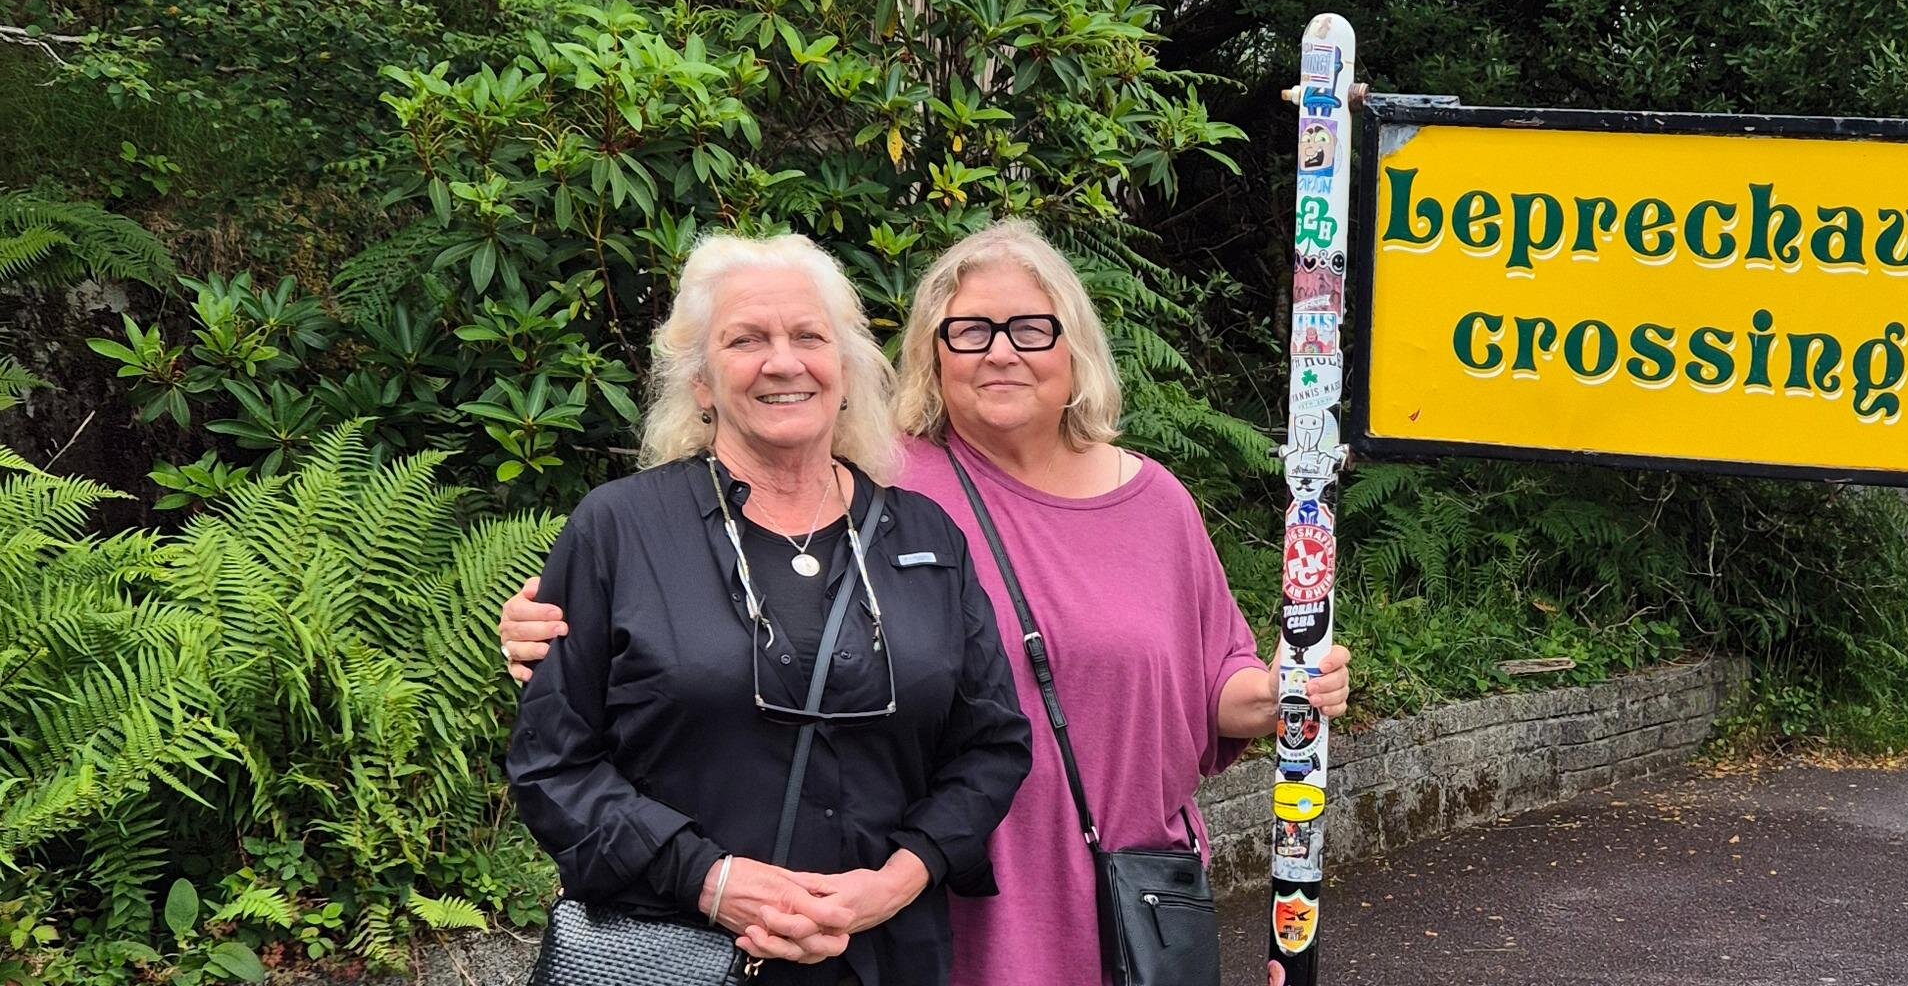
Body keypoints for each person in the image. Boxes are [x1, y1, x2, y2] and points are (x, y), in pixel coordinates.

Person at [505, 219, 1352, 986]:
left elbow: (1197, 686)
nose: (1001, 352)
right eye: (970, 331)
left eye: (1031, 328)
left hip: (1073, 894)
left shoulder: (1134, 504)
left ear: (1076, 347)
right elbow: (613, 685)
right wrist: (542, 633)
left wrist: (1285, 690)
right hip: (926, 912)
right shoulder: (884, 478)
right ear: (930, 354)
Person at [507, 233, 1032, 985]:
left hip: (886, 955)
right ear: (701, 382)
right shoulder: (619, 530)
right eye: (746, 340)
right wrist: (707, 878)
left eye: (809, 337)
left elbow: (992, 745)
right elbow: (553, 763)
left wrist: (898, 880)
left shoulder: (924, 537)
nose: (783, 362)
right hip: (679, 954)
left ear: (844, 369)